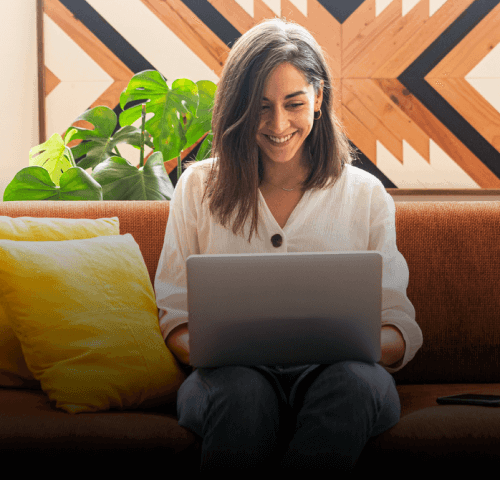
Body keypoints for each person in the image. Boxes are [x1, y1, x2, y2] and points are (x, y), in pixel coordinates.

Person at [153, 18, 423, 473]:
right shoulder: (198, 187)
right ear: (238, 107)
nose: (277, 124)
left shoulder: (364, 194)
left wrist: (355, 343)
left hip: (342, 375)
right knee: (243, 397)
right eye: (260, 107)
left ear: (318, 100)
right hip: (230, 379)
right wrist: (214, 347)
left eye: (294, 103)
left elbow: (398, 323)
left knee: (352, 386)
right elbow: (175, 314)